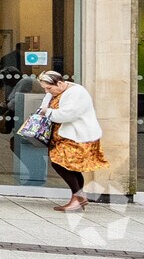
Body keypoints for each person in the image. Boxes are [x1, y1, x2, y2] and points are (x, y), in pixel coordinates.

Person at [37, 68, 106, 212]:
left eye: (49, 88)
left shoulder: (77, 93)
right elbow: (44, 105)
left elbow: (67, 115)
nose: (47, 92)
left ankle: (78, 197)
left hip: (77, 136)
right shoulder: (55, 92)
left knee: (59, 163)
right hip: (63, 135)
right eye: (45, 89)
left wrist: (47, 112)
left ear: (60, 83)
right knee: (69, 166)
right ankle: (78, 197)